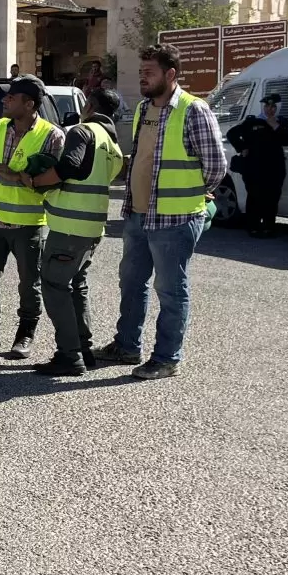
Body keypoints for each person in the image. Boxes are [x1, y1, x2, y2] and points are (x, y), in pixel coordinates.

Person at [94, 44, 228, 380]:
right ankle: (127, 346)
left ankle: (167, 358)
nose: (143, 77)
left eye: (149, 72)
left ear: (170, 74)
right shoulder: (143, 109)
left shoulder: (193, 109)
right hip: (138, 214)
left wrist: (195, 194)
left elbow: (216, 165)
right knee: (131, 283)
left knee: (170, 290)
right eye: (141, 72)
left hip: (175, 218)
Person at [0, 75, 64, 360]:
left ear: (29, 104)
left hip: (28, 223)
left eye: (11, 97)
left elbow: (53, 181)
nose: (4, 100)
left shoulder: (52, 135)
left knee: (29, 285)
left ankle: (25, 335)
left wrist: (14, 174)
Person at [25, 88, 124, 377]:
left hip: (69, 226)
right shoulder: (112, 143)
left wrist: (36, 181)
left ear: (89, 105)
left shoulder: (83, 131)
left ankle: (69, 356)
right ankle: (83, 349)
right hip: (93, 226)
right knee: (77, 284)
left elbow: (70, 166)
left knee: (54, 285)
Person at [226, 92, 288, 237]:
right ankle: (253, 227)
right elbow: (232, 134)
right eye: (267, 106)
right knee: (254, 196)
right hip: (254, 167)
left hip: (274, 167)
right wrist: (242, 147)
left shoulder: (281, 122)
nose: (270, 109)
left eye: (273, 107)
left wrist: (275, 126)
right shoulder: (253, 121)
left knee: (272, 197)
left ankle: (269, 227)